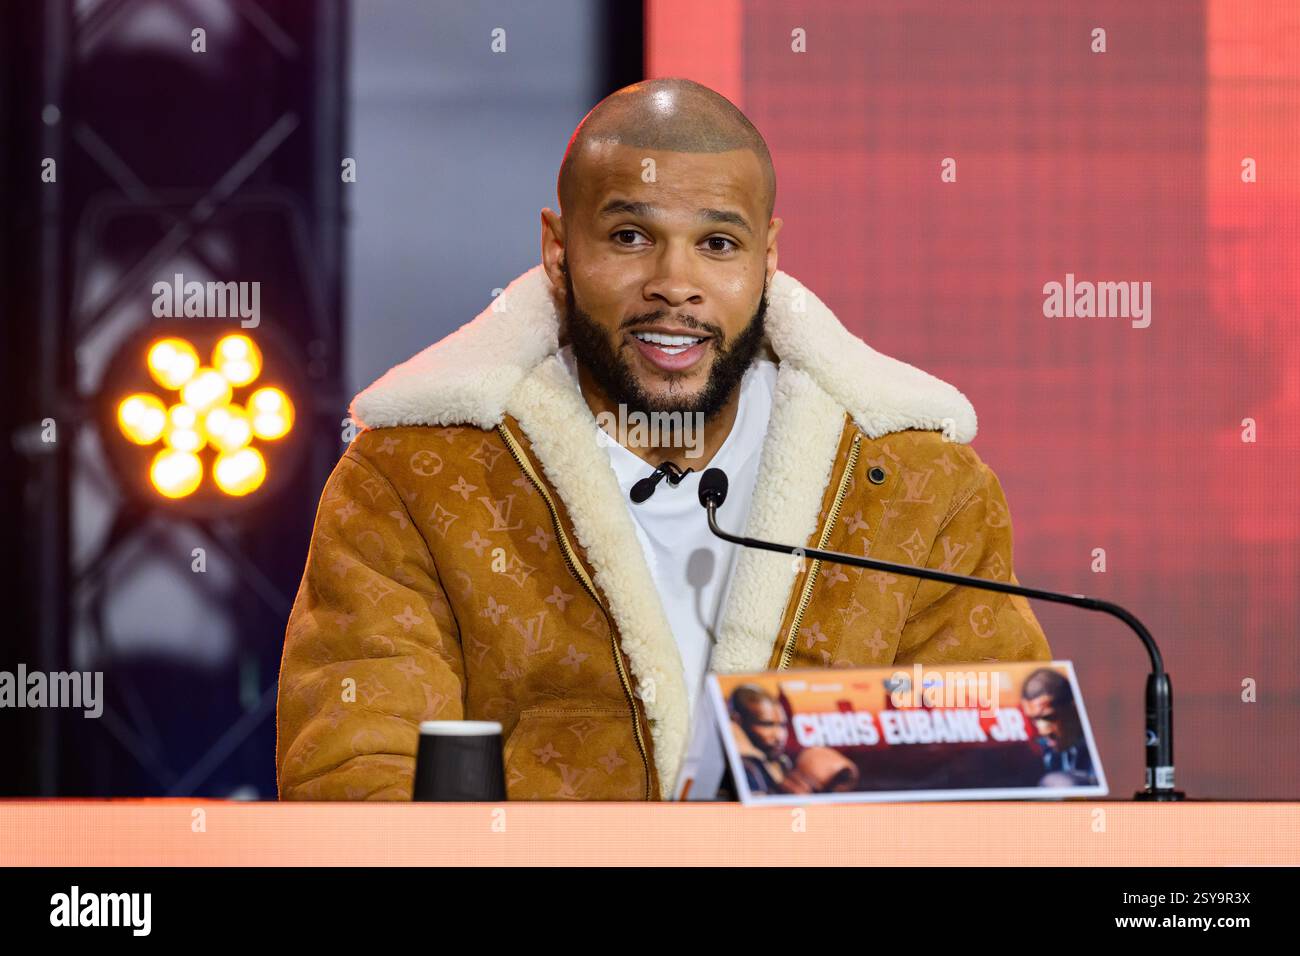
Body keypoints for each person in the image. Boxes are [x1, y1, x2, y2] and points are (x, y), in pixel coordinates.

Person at [276, 78, 1051, 802]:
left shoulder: (917, 487)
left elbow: (987, 786)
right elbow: (360, 775)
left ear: (768, 260)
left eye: (718, 244)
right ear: (558, 250)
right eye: (629, 236)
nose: (674, 284)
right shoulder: (415, 477)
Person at [1021, 668, 1096, 786]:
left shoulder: (1104, 748)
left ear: (1075, 709)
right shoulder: (1043, 752)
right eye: (1033, 720)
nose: (1042, 730)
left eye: (1049, 717)